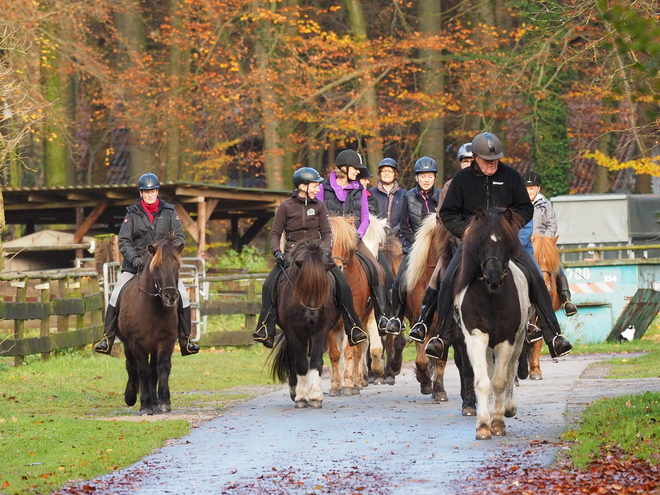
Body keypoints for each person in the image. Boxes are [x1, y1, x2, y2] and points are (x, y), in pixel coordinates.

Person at [424, 132, 573, 360]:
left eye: (495, 159)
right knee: (447, 279)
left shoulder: (511, 177)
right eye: (487, 160)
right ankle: (441, 338)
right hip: (473, 245)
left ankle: (554, 335)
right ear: (475, 157)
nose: (492, 164)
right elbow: (448, 213)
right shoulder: (462, 180)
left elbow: (525, 208)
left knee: (535, 276)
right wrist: (466, 230)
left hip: (506, 242)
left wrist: (509, 227)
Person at [252, 167, 367, 348]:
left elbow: (327, 233)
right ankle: (266, 327)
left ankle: (353, 327)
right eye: (314, 186)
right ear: (302, 186)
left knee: (343, 284)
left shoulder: (319, 206)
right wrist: (277, 252)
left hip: (316, 255)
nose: (317, 189)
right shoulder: (285, 207)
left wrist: (326, 251)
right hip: (292, 256)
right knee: (268, 285)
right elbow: (275, 234)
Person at [95, 173, 200, 356]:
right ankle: (107, 337)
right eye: (146, 192)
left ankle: (186, 339)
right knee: (115, 294)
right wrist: (135, 258)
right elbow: (124, 240)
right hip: (136, 266)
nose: (150, 194)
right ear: (141, 193)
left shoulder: (169, 212)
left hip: (161, 268)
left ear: (157, 191)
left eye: (152, 191)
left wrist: (168, 254)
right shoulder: (132, 213)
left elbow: (180, 237)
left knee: (183, 295)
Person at [317, 149, 391, 332]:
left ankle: (382, 317)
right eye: (356, 168)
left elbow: (365, 217)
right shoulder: (322, 188)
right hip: (329, 241)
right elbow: (318, 215)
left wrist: (357, 235)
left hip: (354, 240)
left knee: (378, 270)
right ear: (344, 167)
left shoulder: (359, 189)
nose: (358, 172)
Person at [408, 143, 472, 342]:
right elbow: (441, 217)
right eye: (465, 161)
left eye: (472, 161)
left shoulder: (490, 184)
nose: (469, 164)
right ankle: (424, 321)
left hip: (486, 245)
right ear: (461, 163)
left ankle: (543, 326)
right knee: (438, 279)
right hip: (457, 246)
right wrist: (463, 232)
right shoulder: (450, 186)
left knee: (527, 273)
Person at [385, 156, 441, 335]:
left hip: (438, 248)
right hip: (414, 248)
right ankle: (396, 318)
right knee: (399, 281)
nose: (426, 180)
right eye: (423, 176)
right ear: (417, 178)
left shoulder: (441, 196)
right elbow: (404, 226)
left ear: (434, 178)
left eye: (429, 176)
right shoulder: (408, 196)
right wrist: (419, 244)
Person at [522, 170, 578, 316]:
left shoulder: (545, 204)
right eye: (526, 188)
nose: (529, 191)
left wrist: (544, 241)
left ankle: (566, 299)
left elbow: (552, 224)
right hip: (525, 242)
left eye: (532, 188)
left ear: (538, 189)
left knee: (556, 266)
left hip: (544, 242)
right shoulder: (519, 205)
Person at [369, 158, 406, 232]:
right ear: (380, 173)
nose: (386, 173)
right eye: (384, 171)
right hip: (377, 235)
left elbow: (405, 218)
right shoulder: (371, 193)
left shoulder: (403, 194)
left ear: (395, 174)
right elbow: (369, 215)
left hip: (398, 236)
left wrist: (395, 231)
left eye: (390, 171)